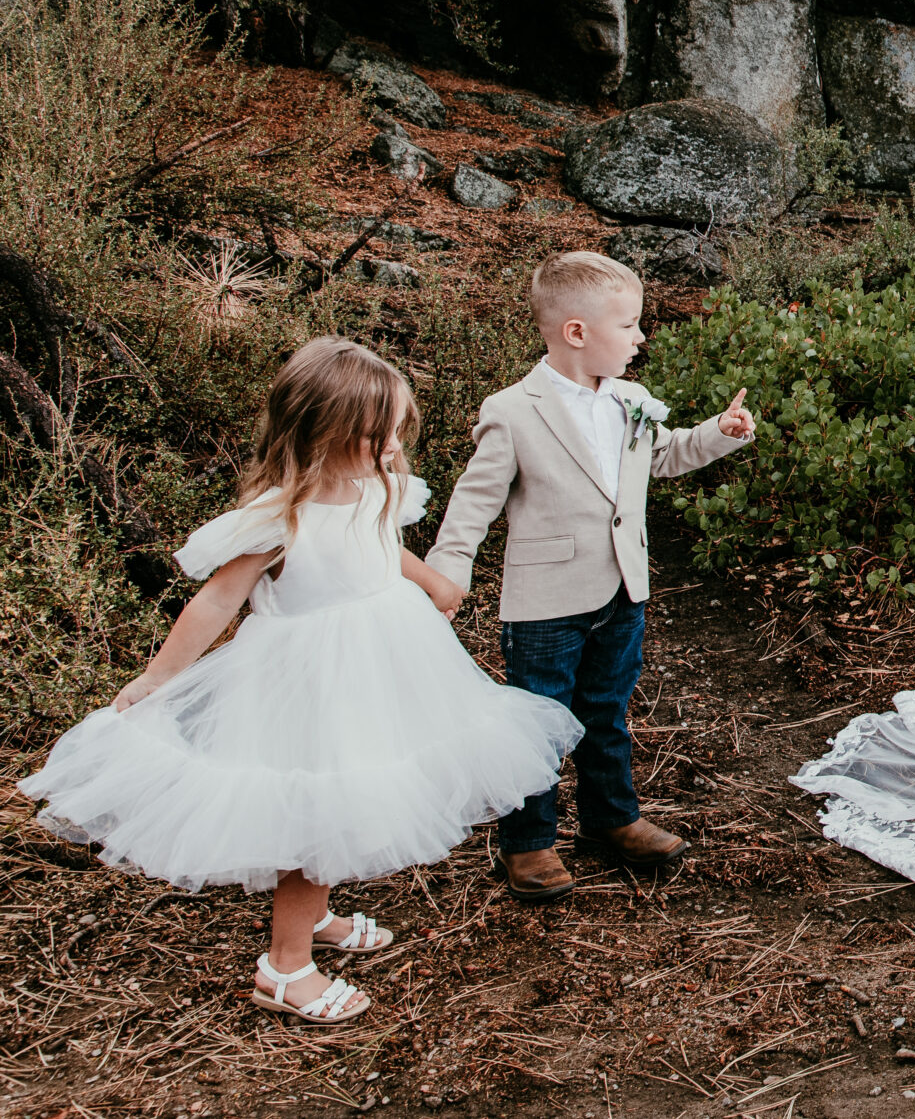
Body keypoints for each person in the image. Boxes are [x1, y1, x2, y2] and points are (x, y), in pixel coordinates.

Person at [18, 338, 582, 1026]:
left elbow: (379, 543)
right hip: (307, 685)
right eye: (376, 436)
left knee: (351, 798)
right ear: (326, 433)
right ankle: (285, 968)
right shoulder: (277, 519)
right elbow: (216, 603)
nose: (391, 449)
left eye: (396, 432)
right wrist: (156, 677)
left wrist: (430, 579)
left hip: (382, 665)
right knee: (317, 815)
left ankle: (314, 917)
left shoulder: (374, 485)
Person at [426, 250, 755, 903]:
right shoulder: (513, 409)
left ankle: (613, 818)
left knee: (606, 712)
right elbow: (475, 498)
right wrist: (448, 565)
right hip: (545, 600)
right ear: (577, 331)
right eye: (629, 325)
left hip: (621, 590)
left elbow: (665, 457)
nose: (640, 338)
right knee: (538, 718)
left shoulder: (633, 401)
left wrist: (719, 432)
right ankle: (529, 843)